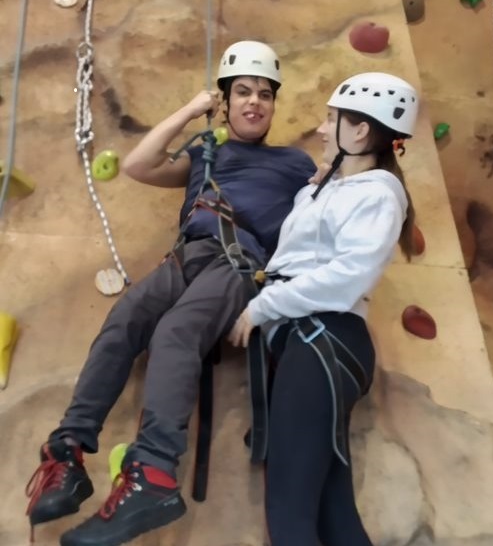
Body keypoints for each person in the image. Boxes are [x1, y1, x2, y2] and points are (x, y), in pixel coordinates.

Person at [23, 40, 316, 546]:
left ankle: (155, 474)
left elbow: (331, 209)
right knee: (123, 322)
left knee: (176, 332)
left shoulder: (292, 164)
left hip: (238, 263)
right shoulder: (207, 153)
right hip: (186, 257)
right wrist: (191, 111)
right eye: (243, 91)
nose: (255, 102)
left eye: (265, 95)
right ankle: (67, 452)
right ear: (225, 99)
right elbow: (139, 165)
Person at [228, 71, 420, 546]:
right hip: (315, 344)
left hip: (324, 339)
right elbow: (302, 253)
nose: (319, 128)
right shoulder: (331, 190)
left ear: (360, 132)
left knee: (290, 514)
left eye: (331, 118)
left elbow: (346, 277)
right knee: (334, 516)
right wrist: (315, 188)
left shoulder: (377, 194)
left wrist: (263, 305)